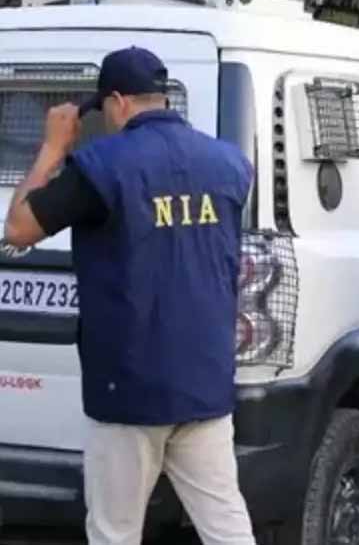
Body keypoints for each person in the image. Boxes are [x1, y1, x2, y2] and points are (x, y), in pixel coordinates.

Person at [2, 47, 255, 545]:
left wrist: (52, 148)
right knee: (227, 529)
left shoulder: (102, 166)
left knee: (114, 532)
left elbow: (18, 229)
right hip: (203, 383)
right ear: (163, 99)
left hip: (130, 388)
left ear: (117, 102)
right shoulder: (229, 163)